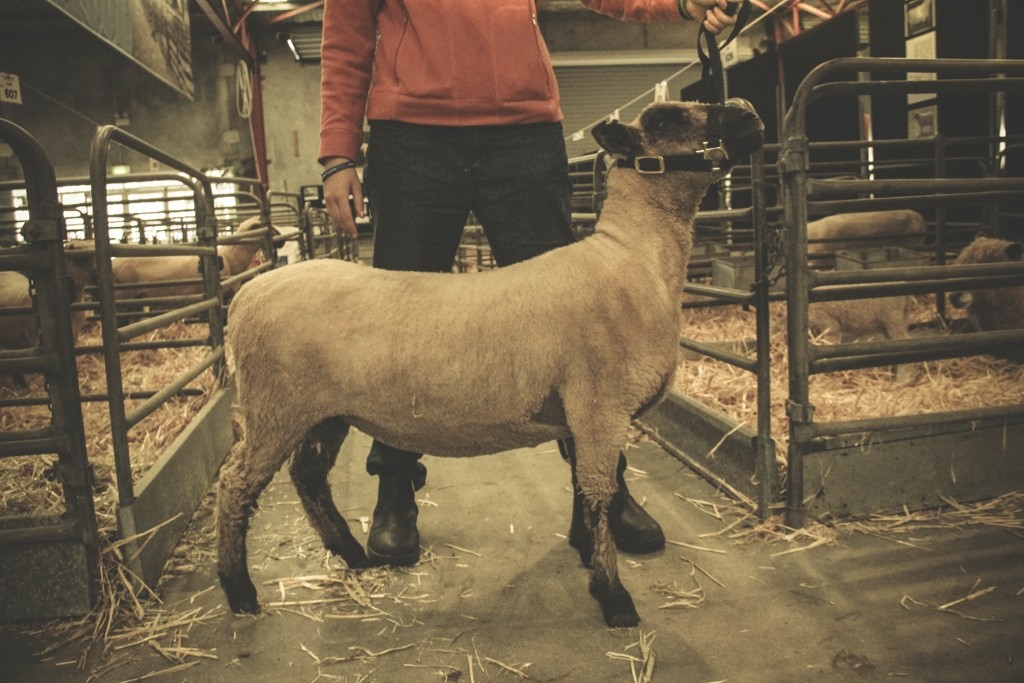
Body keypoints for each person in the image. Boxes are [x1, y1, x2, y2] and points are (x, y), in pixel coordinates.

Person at [319, 0, 741, 568]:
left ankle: (600, 490)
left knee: (576, 325)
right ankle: (394, 487)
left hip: (522, 135)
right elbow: (345, 38)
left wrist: (683, 4)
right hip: (412, 137)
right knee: (403, 324)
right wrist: (337, 154)